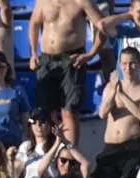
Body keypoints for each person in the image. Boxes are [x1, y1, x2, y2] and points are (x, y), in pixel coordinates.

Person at [29, 0, 104, 145]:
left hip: (72, 60)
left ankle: (70, 152)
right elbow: (34, 23)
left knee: (69, 110)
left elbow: (102, 26)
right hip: (47, 60)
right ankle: (50, 150)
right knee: (46, 110)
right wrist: (33, 52)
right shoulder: (43, 1)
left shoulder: (81, 1)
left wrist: (91, 54)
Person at [94, 47, 140, 178]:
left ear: (139, 64)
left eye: (132, 63)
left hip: (132, 145)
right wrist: (114, 91)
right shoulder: (111, 87)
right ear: (120, 65)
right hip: (111, 146)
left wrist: (122, 95)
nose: (128, 68)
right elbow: (102, 113)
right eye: (124, 64)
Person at [14, 108, 58, 178]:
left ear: (50, 125)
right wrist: (11, 159)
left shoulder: (57, 145)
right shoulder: (25, 146)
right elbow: (15, 175)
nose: (38, 125)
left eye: (42, 121)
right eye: (34, 121)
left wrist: (58, 141)